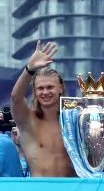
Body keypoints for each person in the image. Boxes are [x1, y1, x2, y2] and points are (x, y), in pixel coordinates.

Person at [9, 40, 76, 178]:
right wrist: (29, 69)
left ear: (60, 88)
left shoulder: (74, 121)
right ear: (34, 91)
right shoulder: (28, 120)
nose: (45, 92)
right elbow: (16, 97)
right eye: (40, 88)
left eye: (50, 87)